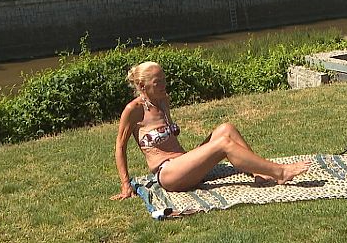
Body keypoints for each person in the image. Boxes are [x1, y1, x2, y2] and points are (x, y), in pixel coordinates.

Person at [111, 61, 311, 199]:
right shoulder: (134, 110)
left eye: (164, 79)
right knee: (224, 144)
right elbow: (120, 147)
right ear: (141, 85)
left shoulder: (163, 100)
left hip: (183, 163)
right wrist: (125, 184)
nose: (164, 85)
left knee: (227, 129)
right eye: (158, 82)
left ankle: (257, 171)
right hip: (168, 174)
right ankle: (280, 172)